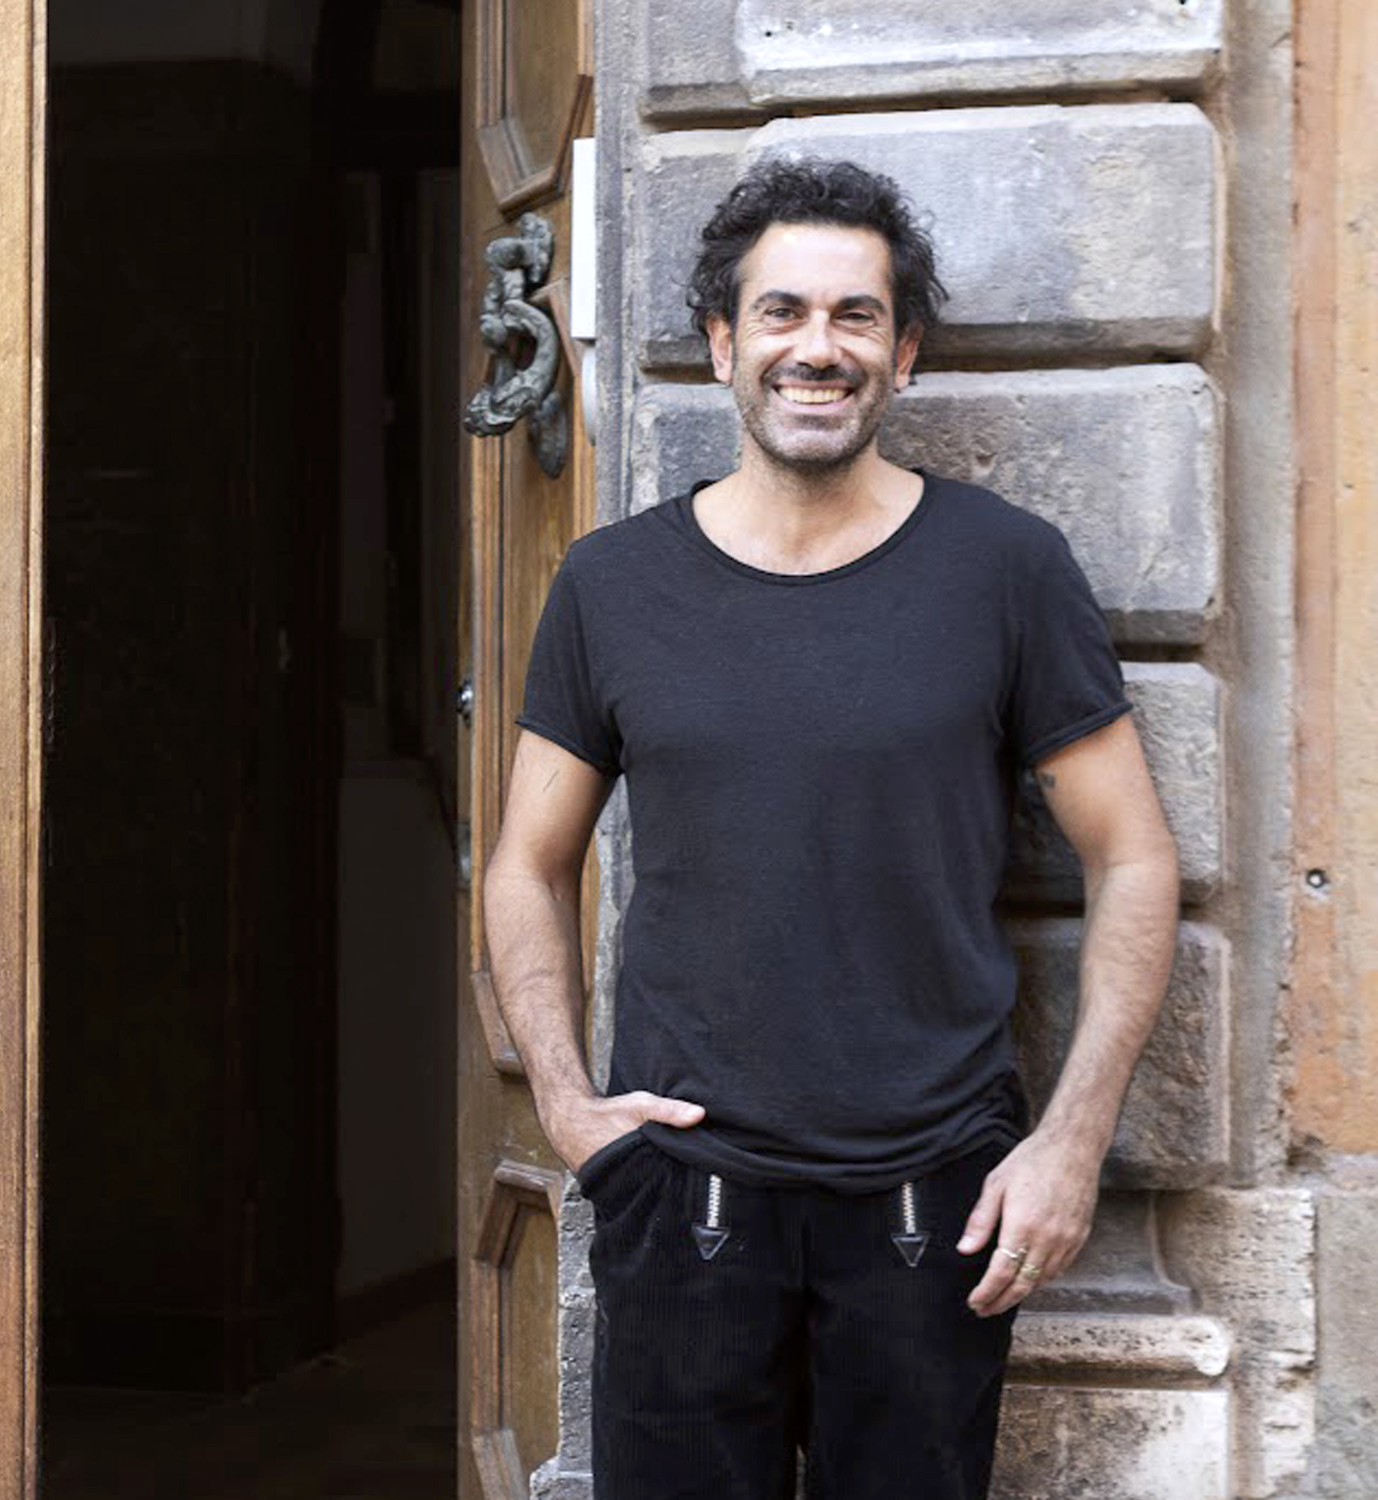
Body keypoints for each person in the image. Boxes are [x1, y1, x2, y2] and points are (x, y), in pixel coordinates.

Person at [481, 157, 1179, 1499]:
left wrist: (1070, 1143)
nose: (818, 346)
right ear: (721, 343)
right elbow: (528, 861)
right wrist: (568, 1109)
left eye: (856, 316)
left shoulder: (1005, 569)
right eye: (782, 312)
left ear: (901, 354)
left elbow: (1131, 855)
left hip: (935, 1197)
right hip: (679, 1191)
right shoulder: (608, 584)